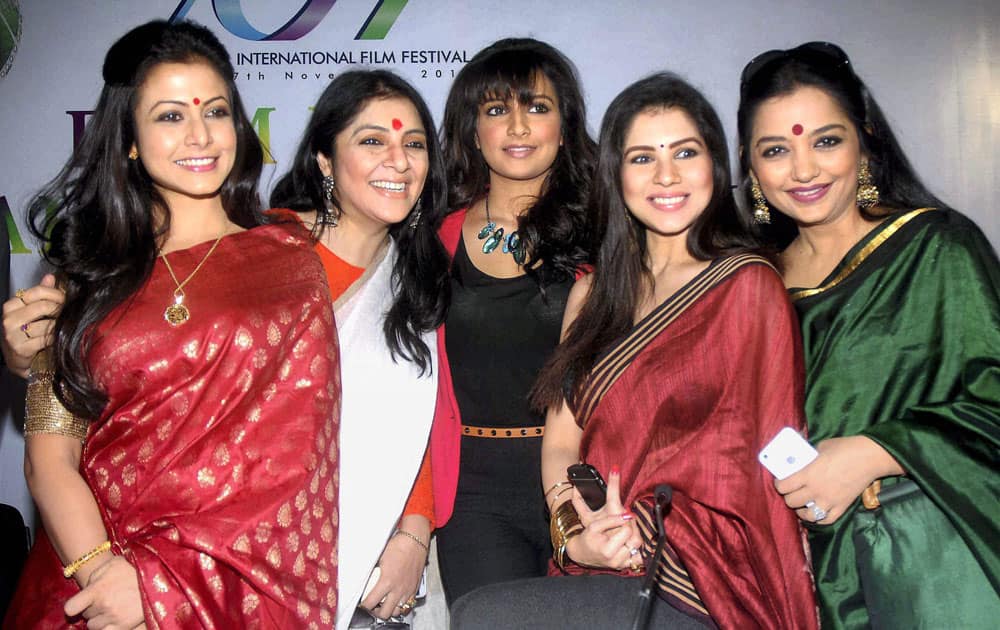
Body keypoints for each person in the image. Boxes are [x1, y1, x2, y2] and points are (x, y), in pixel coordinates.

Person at [3, 20, 340, 628]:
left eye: (214, 110)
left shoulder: (288, 267)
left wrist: (160, 587)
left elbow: (293, 472)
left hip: (225, 587)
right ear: (129, 138)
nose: (199, 135)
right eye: (168, 116)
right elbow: (48, 458)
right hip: (85, 582)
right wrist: (106, 576)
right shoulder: (84, 274)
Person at [451, 73, 819, 629]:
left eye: (684, 153)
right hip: (599, 560)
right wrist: (575, 537)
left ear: (716, 166)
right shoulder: (592, 293)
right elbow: (561, 444)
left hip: (701, 572)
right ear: (616, 176)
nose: (666, 176)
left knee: (485, 617)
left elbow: (754, 455)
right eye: (643, 158)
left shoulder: (746, 285)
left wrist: (648, 527)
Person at [736, 41, 1000, 628]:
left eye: (826, 141)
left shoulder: (936, 248)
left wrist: (875, 452)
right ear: (751, 169)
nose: (804, 171)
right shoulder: (751, 284)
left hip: (931, 563)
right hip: (798, 575)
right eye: (776, 150)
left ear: (866, 140)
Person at [268, 69, 449, 629]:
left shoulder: (419, 275)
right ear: (324, 159)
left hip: (378, 535)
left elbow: (417, 419)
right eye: (373, 141)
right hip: (257, 535)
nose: (398, 161)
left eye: (413, 144)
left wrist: (413, 533)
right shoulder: (264, 252)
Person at [431, 37, 597, 605]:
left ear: (565, 124)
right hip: (473, 497)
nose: (519, 126)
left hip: (592, 482)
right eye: (498, 110)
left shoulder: (610, 230)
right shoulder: (433, 237)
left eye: (538, 107)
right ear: (473, 129)